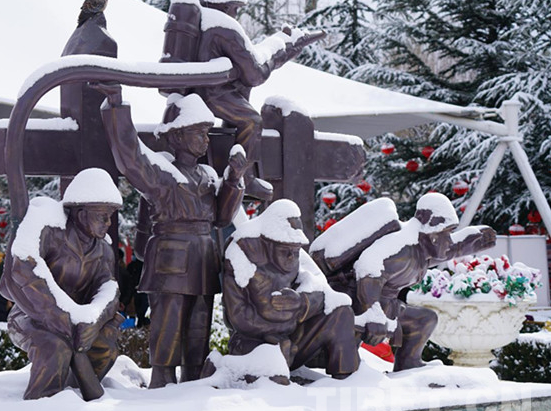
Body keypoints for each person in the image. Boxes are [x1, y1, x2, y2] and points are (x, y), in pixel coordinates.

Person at [96, 83, 248, 388]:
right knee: (168, 323)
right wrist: (116, 105)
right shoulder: (162, 171)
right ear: (177, 136)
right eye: (198, 133)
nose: (205, 140)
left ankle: (193, 378)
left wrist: (233, 179)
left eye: (207, 133)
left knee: (198, 326)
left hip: (203, 257)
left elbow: (222, 217)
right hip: (171, 257)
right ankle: (162, 379)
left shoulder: (208, 176)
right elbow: (130, 155)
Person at [313, 193, 496, 372]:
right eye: (446, 233)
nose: (448, 240)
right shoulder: (402, 248)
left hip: (386, 305)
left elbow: (448, 251)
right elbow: (368, 269)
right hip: (357, 303)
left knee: (423, 320)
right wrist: (372, 312)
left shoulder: (421, 250)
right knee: (344, 365)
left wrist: (471, 240)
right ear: (431, 234)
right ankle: (342, 377)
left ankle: (409, 366)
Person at [192, 0, 323, 200]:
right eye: (235, 8)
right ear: (226, 5)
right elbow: (254, 74)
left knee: (241, 102)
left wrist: (279, 45)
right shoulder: (224, 28)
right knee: (252, 121)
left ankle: (234, 163)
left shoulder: (199, 24)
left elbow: (247, 63)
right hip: (213, 94)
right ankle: (245, 176)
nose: (236, 13)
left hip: (198, 92)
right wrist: (283, 51)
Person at [0, 168, 124, 400]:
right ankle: (42, 404)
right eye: (102, 216)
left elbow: (108, 288)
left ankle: (73, 394)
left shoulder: (104, 249)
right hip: (31, 316)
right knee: (54, 348)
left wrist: (93, 321)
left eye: (110, 216)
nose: (108, 222)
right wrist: (61, 318)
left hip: (78, 324)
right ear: (81, 214)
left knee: (105, 346)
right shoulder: (48, 230)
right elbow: (24, 271)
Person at [220, 200, 359, 380]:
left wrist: (302, 303)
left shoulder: (295, 251)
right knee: (276, 357)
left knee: (341, 311)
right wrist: (279, 326)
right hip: (254, 345)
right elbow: (237, 318)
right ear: (268, 243)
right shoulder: (240, 255)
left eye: (295, 249)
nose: (291, 256)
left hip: (292, 337)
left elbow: (324, 291)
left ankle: (345, 381)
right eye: (285, 250)